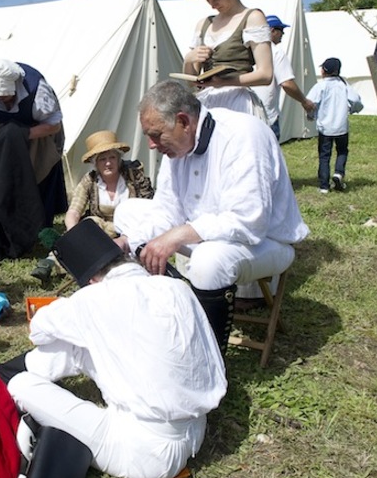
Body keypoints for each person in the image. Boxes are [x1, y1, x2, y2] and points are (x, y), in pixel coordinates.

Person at [0, 220, 227, 478]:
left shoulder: (93, 299)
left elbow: (38, 329)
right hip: (197, 430)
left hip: (145, 453)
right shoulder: (175, 287)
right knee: (84, 344)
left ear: (92, 280)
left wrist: (73, 309)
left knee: (21, 384)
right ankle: (11, 372)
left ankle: (5, 377)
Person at [113, 80, 309, 351]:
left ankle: (208, 357)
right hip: (206, 235)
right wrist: (127, 240)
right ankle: (163, 311)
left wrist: (176, 236)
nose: (151, 145)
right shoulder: (176, 148)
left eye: (156, 135)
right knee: (128, 211)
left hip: (265, 241)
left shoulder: (244, 135)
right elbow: (167, 210)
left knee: (209, 260)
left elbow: (249, 221)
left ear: (183, 121)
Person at [31, 129, 154, 281]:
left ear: (119, 158)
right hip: (101, 232)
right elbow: (74, 211)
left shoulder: (134, 177)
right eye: (103, 159)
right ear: (95, 163)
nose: (108, 163)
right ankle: (51, 263)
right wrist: (74, 234)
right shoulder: (90, 180)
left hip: (132, 229)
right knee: (91, 224)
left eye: (112, 157)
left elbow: (149, 209)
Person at [0, 59, 67, 227]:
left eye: (5, 96)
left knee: (41, 178)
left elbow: (54, 125)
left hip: (39, 135)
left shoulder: (37, 88)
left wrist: (22, 135)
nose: (1, 100)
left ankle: (41, 226)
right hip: (4, 137)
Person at [183, 0, 273, 116]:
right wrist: (189, 59)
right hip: (207, 104)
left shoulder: (252, 18)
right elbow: (192, 82)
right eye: (208, 0)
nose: (213, 4)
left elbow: (265, 75)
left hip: (238, 103)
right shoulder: (203, 24)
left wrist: (224, 82)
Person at [306, 58, 364, 193]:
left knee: (324, 155)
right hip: (341, 126)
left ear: (324, 71)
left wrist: (310, 115)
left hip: (325, 128)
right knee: (342, 151)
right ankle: (338, 173)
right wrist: (353, 109)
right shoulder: (344, 85)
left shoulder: (320, 86)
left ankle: (324, 185)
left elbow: (310, 102)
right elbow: (355, 99)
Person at [253, 15, 313, 140]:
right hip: (267, 116)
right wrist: (304, 101)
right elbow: (287, 83)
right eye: (280, 29)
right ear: (271, 30)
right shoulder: (275, 52)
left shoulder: (248, 50)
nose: (283, 34)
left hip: (247, 114)